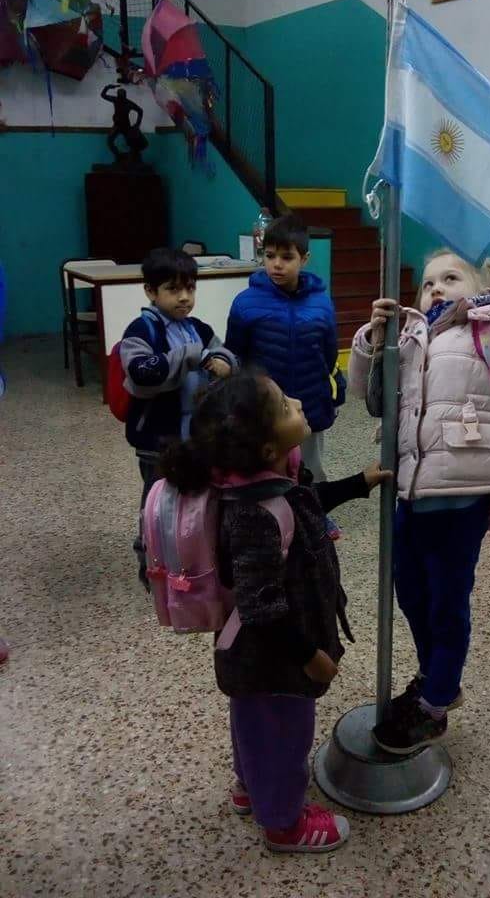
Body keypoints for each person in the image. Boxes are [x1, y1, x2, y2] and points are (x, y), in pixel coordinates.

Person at [348, 145, 490, 755]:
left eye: (451, 277)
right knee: (409, 591)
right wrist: (372, 340)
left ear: (482, 287)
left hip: (461, 492)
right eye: (427, 281)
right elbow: (368, 401)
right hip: (410, 490)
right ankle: (435, 677)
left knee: (447, 598)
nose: (435, 288)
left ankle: (436, 700)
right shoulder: (411, 338)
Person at [159, 372, 390, 853]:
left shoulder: (256, 485)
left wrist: (359, 483)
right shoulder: (253, 515)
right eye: (286, 406)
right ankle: (283, 824)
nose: (299, 403)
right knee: (285, 736)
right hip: (274, 656)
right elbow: (262, 605)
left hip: (254, 656)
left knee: (253, 724)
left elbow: (303, 503)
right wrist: (309, 655)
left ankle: (251, 788)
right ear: (266, 449)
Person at [120, 248, 236, 589]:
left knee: (198, 498)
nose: (185, 297)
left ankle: (195, 557)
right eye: (173, 289)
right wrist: (190, 356)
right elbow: (141, 373)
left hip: (196, 438)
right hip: (159, 439)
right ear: (151, 292)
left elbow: (224, 352)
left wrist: (222, 360)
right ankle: (152, 563)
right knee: (158, 505)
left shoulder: (198, 328)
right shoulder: (141, 330)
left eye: (190, 288)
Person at [225, 214, 344, 488]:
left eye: (287, 257)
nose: (276, 264)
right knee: (266, 470)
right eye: (270, 256)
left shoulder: (321, 303)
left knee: (310, 470)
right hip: (263, 406)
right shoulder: (246, 303)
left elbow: (329, 355)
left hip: (309, 403)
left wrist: (330, 392)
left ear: (304, 258)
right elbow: (235, 355)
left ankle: (315, 517)